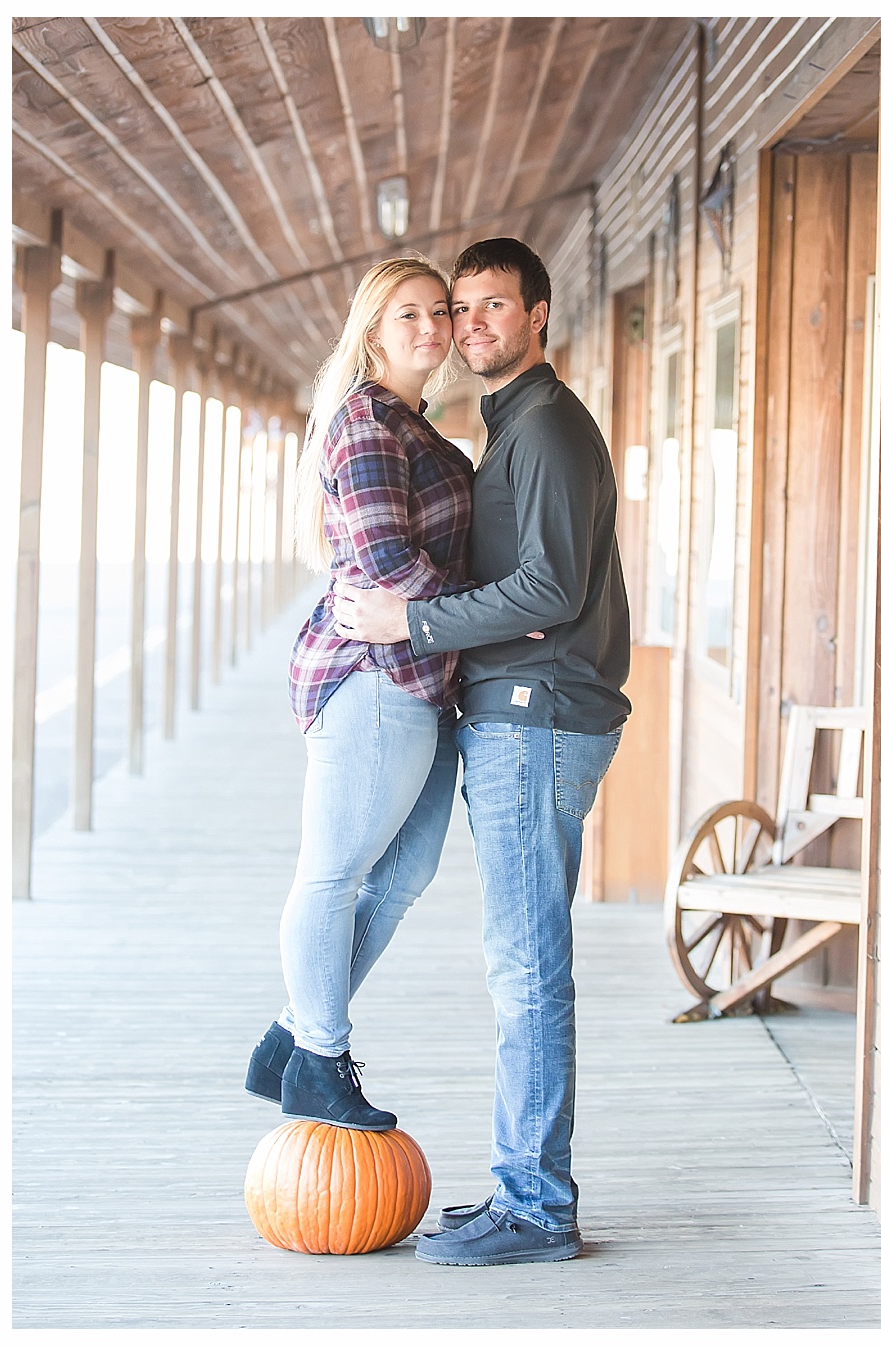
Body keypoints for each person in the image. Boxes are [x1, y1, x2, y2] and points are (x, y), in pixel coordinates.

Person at [334, 237, 630, 1266]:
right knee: (521, 958)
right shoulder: (511, 425)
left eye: (494, 306)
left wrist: (410, 626)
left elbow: (550, 590)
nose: (470, 326)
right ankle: (522, 1185)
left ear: (537, 314)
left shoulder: (544, 427)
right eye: (460, 309)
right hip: (522, 711)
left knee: (526, 965)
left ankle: (538, 1205)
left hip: (535, 716)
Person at [243, 257, 472, 1131]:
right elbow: (388, 568)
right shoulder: (368, 424)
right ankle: (322, 1058)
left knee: (403, 874)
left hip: (422, 677)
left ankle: (291, 1038)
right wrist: (499, 621)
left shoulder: (412, 423)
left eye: (439, 312)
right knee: (335, 874)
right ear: (374, 331)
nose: (430, 328)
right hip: (372, 682)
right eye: (408, 314)